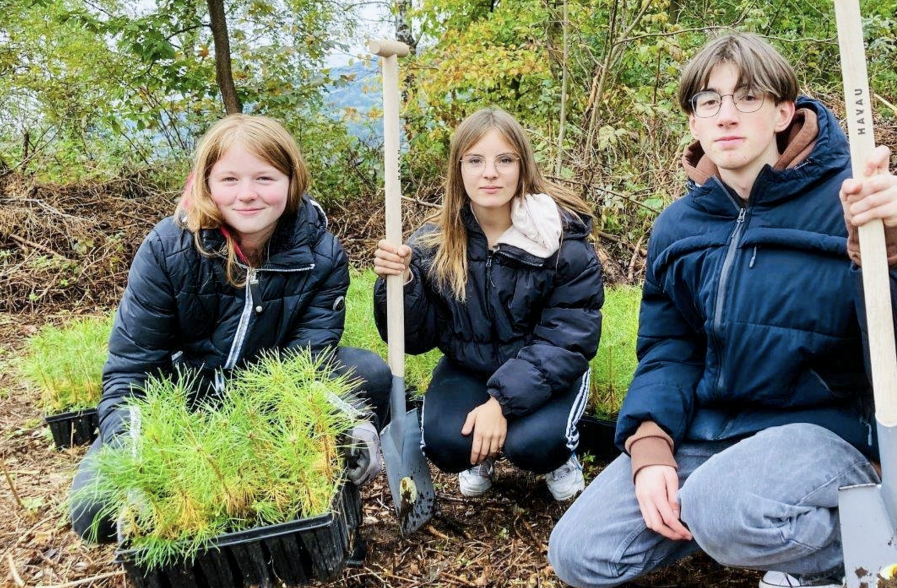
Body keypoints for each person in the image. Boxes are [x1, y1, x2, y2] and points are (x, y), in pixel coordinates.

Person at [548, 33, 897, 588]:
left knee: (719, 507)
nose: (726, 114)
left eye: (747, 97)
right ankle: (742, 523)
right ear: (694, 123)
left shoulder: (863, 199)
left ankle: (837, 542)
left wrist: (890, 253)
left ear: (783, 112)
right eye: (709, 100)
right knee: (581, 554)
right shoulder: (678, 227)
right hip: (715, 431)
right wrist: (650, 445)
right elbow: (669, 350)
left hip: (830, 429)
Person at [70, 114, 391, 542]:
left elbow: (306, 366)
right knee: (95, 510)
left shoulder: (322, 254)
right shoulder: (168, 249)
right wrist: (139, 462)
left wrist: (343, 422)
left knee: (370, 374)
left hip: (266, 403)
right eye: (229, 179)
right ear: (206, 183)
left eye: (264, 177)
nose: (246, 195)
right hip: (182, 409)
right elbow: (131, 372)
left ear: (292, 180)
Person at [372, 107, 604, 501]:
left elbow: (568, 340)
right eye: (475, 160)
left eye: (504, 160)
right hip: (471, 364)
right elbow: (413, 338)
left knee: (535, 444)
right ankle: (483, 453)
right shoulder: (433, 242)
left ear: (522, 166)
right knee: (446, 443)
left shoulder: (560, 240)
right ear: (458, 169)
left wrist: (499, 403)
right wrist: (402, 282)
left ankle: (559, 457)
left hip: (544, 368)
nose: (490, 173)